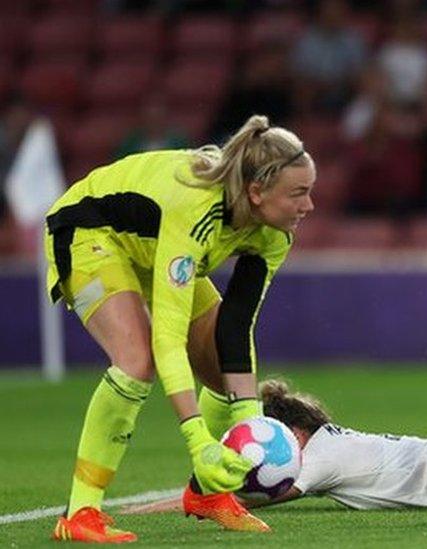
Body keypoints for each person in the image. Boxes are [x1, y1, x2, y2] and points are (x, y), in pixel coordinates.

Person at [46, 115, 316, 542]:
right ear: (257, 191)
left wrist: (250, 428)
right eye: (298, 193)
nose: (309, 206)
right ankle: (80, 512)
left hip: (154, 247)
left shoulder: (275, 234)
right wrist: (198, 440)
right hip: (89, 230)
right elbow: (167, 339)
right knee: (137, 362)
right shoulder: (194, 209)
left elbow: (236, 328)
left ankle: (207, 493)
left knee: (221, 374)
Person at [123, 378, 427, 514]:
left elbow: (227, 499)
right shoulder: (329, 447)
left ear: (292, 436)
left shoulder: (318, 458)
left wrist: (142, 512)